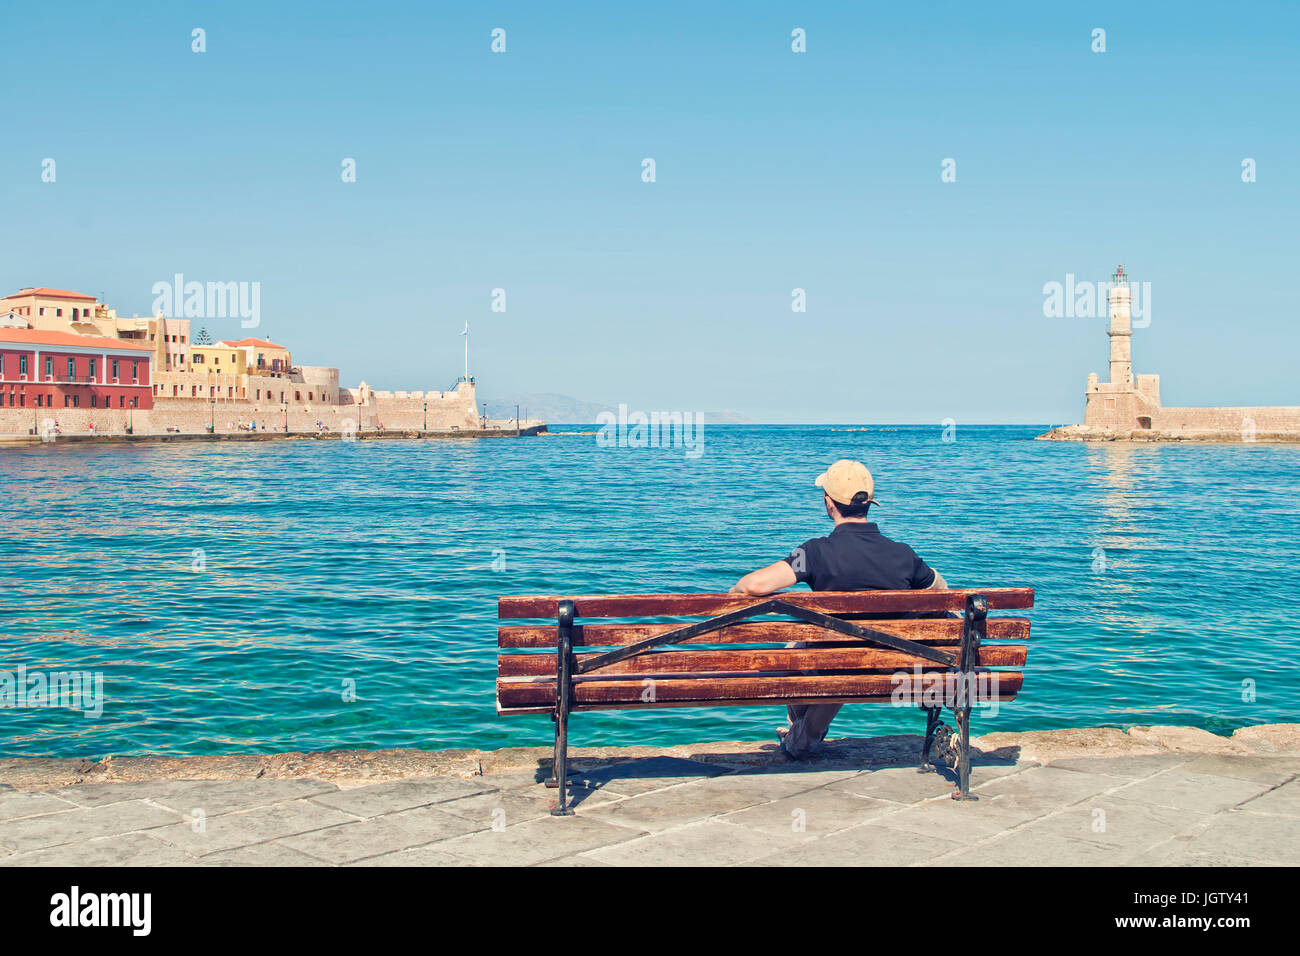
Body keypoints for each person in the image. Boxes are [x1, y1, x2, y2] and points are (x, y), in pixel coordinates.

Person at [730, 459, 948, 759]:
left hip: (835, 661)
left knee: (800, 650)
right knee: (825, 652)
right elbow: (943, 593)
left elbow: (753, 586)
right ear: (870, 503)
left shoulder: (815, 552)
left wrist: (734, 592)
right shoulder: (903, 554)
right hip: (890, 663)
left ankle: (800, 738)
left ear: (828, 503)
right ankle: (801, 735)